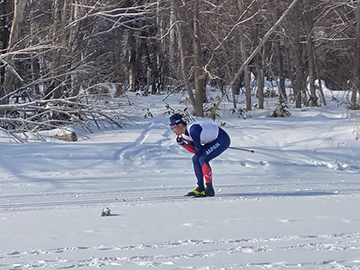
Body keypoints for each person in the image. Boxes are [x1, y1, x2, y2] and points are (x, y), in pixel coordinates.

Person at [169, 113, 231, 197]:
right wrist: (184, 144)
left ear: (180, 125)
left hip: (222, 139)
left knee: (203, 158)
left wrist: (186, 145)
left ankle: (209, 189)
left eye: (173, 127)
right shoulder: (185, 135)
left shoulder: (193, 130)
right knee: (195, 159)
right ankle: (200, 187)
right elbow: (196, 152)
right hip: (212, 140)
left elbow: (198, 149)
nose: (172, 130)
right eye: (170, 128)